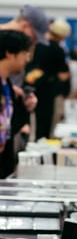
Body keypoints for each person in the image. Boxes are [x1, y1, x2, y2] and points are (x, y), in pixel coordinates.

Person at [24, 18, 71, 139]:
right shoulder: (57, 50)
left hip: (32, 88)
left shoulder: (37, 45)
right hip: (49, 92)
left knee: (34, 122)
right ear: (61, 36)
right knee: (46, 125)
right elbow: (63, 75)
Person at [0, 29, 37, 178]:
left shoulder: (8, 86)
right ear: (9, 53)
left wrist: (25, 107)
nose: (27, 59)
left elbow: (10, 127)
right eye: (24, 53)